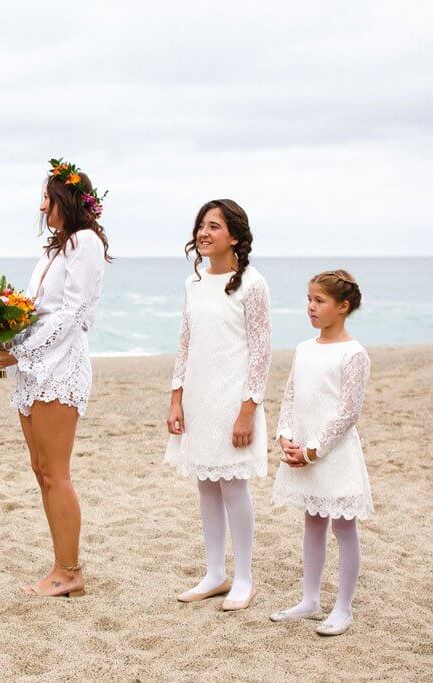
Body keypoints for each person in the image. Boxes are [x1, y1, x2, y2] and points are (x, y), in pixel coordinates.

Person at [0, 158, 109, 598]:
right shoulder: (56, 248)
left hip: (59, 367)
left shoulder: (84, 242)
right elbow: (35, 307)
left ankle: (70, 572)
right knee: (40, 469)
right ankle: (60, 565)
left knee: (56, 472)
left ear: (66, 200)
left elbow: (74, 314)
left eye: (47, 197)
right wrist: (5, 334)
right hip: (34, 369)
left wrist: (19, 348)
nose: (42, 207)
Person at [164, 199, 271, 611]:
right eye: (201, 226)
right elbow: (184, 343)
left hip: (233, 397)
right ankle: (215, 574)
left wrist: (249, 408)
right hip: (198, 395)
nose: (203, 233)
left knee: (233, 484)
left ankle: (243, 577)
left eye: (214, 226)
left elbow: (261, 352)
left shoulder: (253, 284)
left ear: (236, 237)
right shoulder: (192, 285)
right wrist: (176, 399)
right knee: (205, 483)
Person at [270, 270, 372, 637]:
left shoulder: (354, 354)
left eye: (320, 301)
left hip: (333, 454)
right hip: (302, 449)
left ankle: (342, 607)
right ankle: (309, 599)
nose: (311, 307)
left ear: (342, 307)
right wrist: (285, 436)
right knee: (312, 522)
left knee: (344, 527)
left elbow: (349, 412)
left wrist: (314, 450)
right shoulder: (303, 348)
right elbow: (291, 396)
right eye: (309, 299)